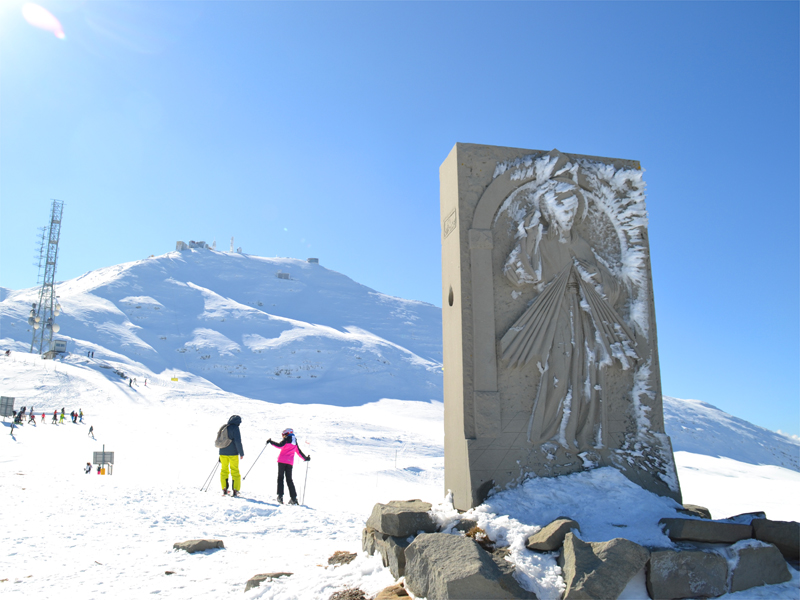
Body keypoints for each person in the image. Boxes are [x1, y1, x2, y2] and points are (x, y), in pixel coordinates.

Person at [267, 428, 310, 505]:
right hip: (290, 463)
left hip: (281, 461)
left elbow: (279, 445)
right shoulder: (294, 442)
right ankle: (294, 499)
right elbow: (299, 452)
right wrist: (305, 458)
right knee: (289, 480)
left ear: (286, 434)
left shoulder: (287, 439)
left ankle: (280, 497)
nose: (283, 436)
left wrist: (270, 442)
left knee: (280, 478)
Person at [218, 415, 244, 497]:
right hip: (233, 453)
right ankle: (235, 490)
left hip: (222, 453)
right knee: (235, 471)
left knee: (224, 470)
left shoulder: (224, 427)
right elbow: (238, 441)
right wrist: (241, 453)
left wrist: (220, 454)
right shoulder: (235, 428)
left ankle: (224, 489)